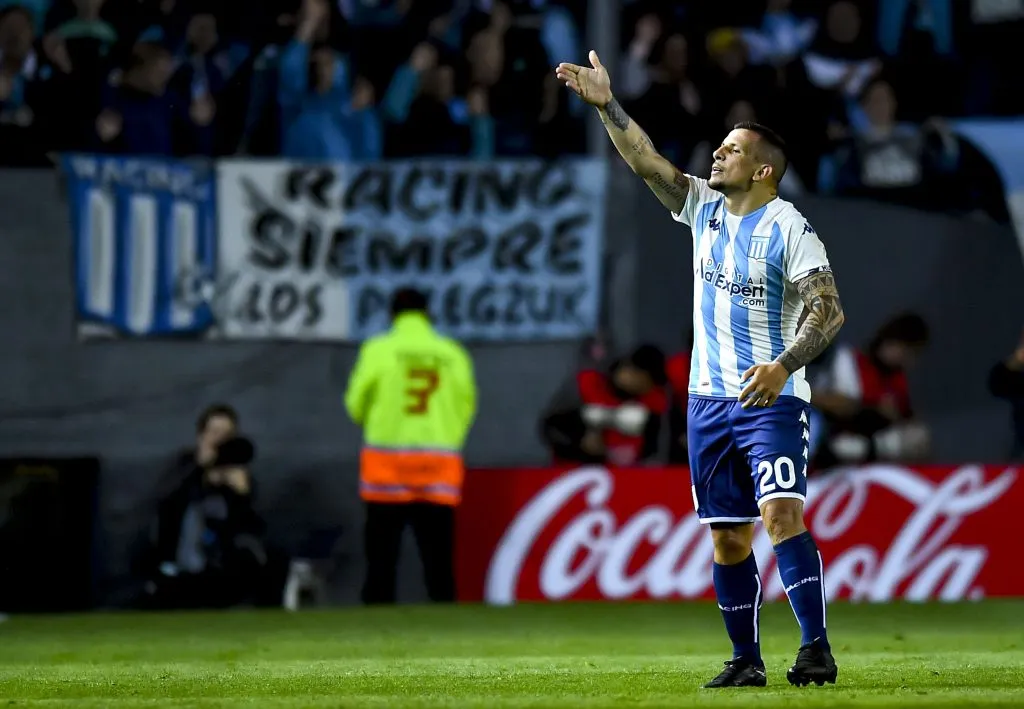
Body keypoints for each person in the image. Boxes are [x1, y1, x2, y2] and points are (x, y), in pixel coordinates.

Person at [556, 51, 846, 688]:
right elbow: (645, 161)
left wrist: (784, 366)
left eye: (732, 150)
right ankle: (746, 660)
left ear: (763, 169)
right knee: (728, 538)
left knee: (781, 516)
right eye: (719, 147)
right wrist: (607, 105)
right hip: (707, 402)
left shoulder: (789, 227)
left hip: (772, 399)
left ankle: (815, 648)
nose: (717, 156)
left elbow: (828, 310)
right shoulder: (703, 209)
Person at [344, 287, 477, 604]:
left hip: (386, 466)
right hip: (437, 465)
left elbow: (355, 404)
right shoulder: (451, 352)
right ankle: (447, 632)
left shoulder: (379, 349)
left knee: (381, 560)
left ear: (392, 315)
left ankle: (376, 630)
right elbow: (467, 404)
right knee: (438, 561)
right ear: (428, 313)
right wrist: (446, 435)